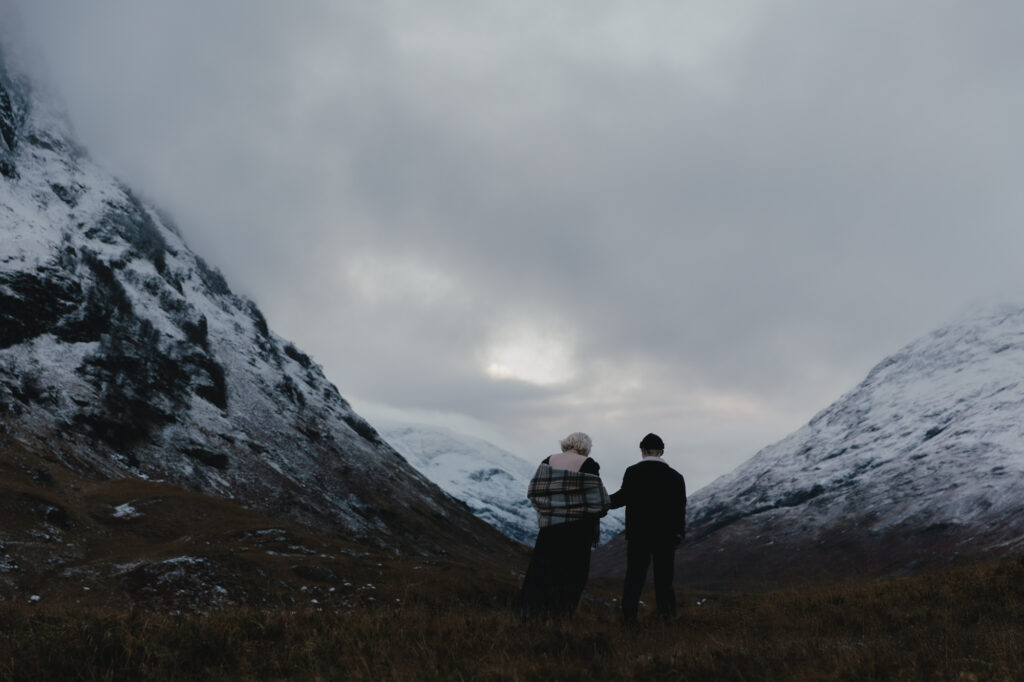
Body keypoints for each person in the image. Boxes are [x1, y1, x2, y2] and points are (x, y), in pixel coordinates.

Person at [519, 431, 611, 618]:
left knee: (542, 572)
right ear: (586, 448)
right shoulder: (588, 464)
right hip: (578, 531)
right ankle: (562, 615)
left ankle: (532, 614)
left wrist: (550, 509)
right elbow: (598, 499)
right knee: (572, 575)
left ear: (566, 443)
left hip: (549, 528)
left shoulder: (547, 461)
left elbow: (535, 491)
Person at [609, 432, 687, 623]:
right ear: (661, 452)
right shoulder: (676, 477)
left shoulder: (632, 472)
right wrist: (678, 533)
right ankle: (667, 618)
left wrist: (602, 502)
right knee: (664, 580)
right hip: (666, 536)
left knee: (634, 578)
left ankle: (628, 619)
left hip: (638, 535)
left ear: (643, 451)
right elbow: (680, 509)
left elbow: (622, 498)